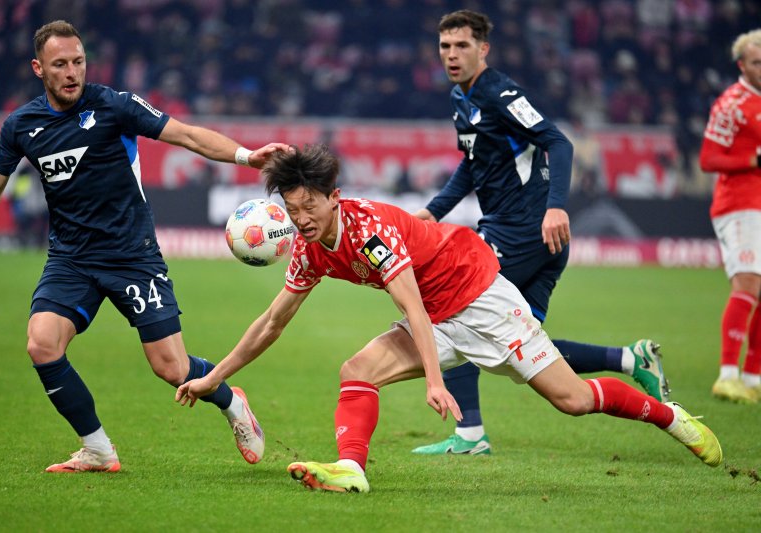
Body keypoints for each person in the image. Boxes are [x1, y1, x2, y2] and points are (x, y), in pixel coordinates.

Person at [175, 144, 721, 494]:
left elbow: (411, 306)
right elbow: (272, 322)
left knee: (572, 400)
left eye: (309, 207)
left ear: (334, 198)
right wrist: (214, 377)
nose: (302, 219)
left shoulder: (369, 230)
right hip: (436, 314)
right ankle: (352, 470)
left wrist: (435, 382)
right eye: (292, 211)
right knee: (356, 371)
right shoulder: (307, 249)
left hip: (478, 295)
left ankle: (669, 417)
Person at [0, 20, 288, 473]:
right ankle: (98, 449)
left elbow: (187, 134)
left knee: (172, 369)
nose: (72, 72)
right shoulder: (21, 126)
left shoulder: (114, 106)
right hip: (71, 259)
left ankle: (232, 401)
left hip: (133, 256)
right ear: (39, 68)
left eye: (78, 62)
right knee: (42, 344)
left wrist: (246, 156)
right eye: (60, 64)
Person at [411, 10, 669, 456]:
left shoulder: (500, 93)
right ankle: (631, 359)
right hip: (525, 236)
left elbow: (558, 141)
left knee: (451, 304)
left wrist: (556, 208)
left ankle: (470, 434)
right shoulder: (460, 97)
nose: (451, 55)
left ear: (483, 49)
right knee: (525, 351)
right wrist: (432, 212)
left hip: (524, 232)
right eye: (445, 46)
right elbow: (472, 166)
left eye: (462, 46)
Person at [699, 28, 761, 404]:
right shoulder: (731, 105)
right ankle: (727, 375)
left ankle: (753, 378)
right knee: (747, 285)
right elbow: (708, 159)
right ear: (742, 66)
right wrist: (754, 159)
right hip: (739, 205)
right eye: (757, 62)